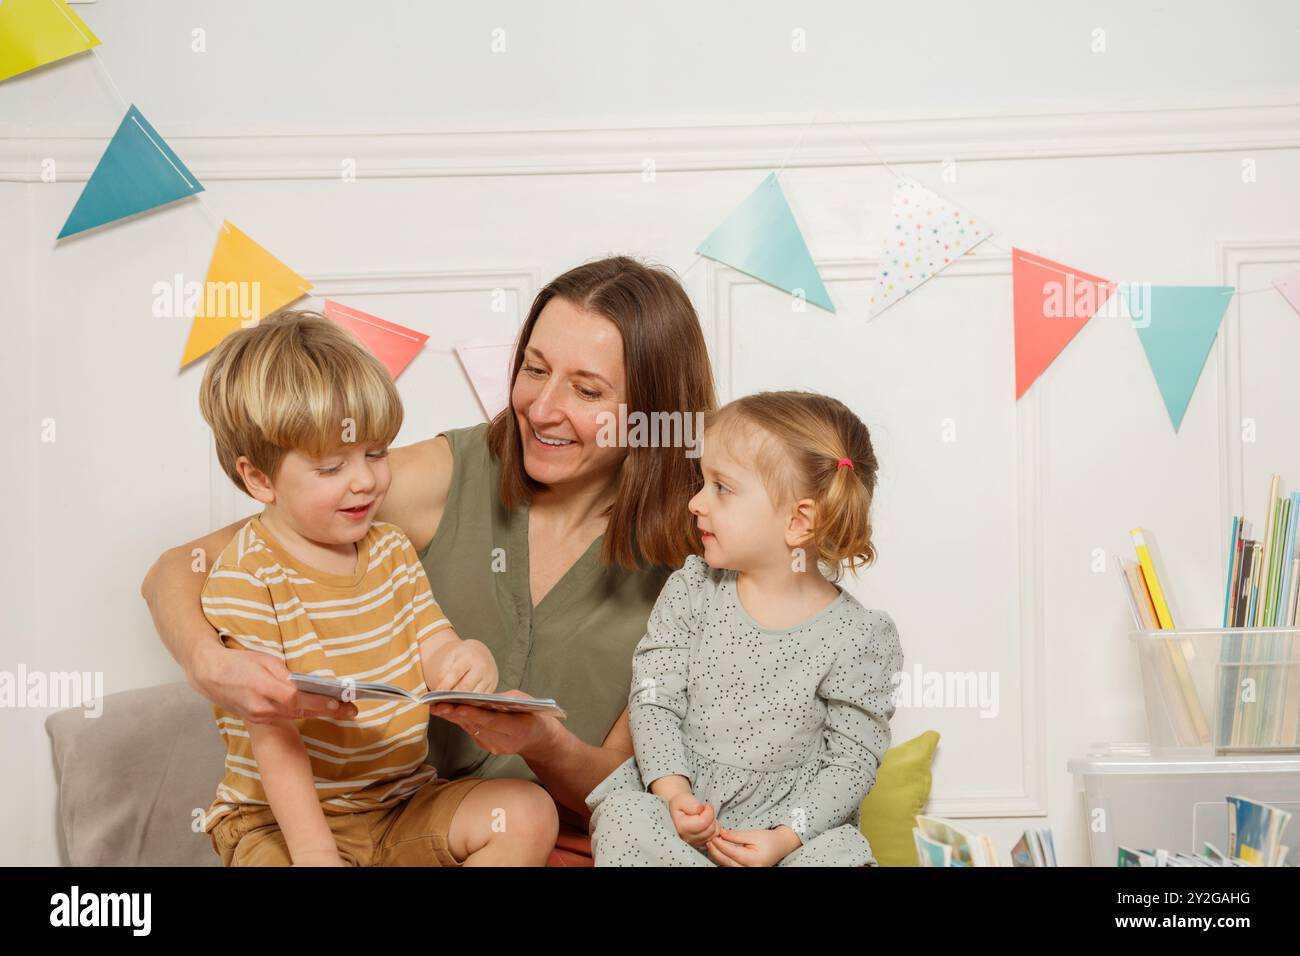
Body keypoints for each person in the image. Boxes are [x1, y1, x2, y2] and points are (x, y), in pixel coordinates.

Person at [140, 255, 717, 851]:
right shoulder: (445, 473)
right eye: (533, 369)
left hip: (515, 834)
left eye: (587, 390)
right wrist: (209, 664)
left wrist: (543, 742)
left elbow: (637, 788)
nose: (542, 409)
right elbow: (180, 568)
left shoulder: (700, 556)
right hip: (364, 816)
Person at [197, 310, 557, 865]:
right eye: (330, 468)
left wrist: (466, 659)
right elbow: (274, 739)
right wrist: (317, 855)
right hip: (278, 820)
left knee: (528, 813)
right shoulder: (246, 576)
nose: (364, 480)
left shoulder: (390, 550)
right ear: (260, 479)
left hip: (398, 802)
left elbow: (432, 639)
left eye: (375, 453)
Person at [585, 390, 905, 866]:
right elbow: (654, 697)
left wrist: (786, 836)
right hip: (685, 824)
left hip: (786, 838)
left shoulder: (860, 637)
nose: (695, 503)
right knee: (625, 820)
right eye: (702, 482)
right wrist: (674, 795)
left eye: (721, 487)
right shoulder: (693, 589)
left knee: (842, 854)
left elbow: (852, 761)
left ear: (798, 522)